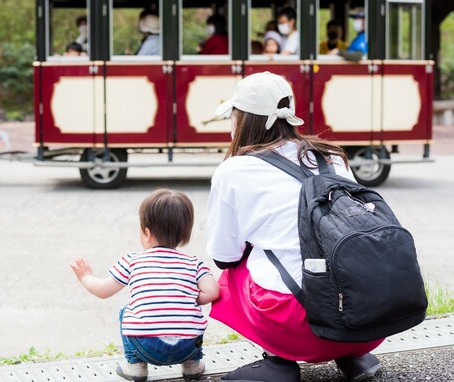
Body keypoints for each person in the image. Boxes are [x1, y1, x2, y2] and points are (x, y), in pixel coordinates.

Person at [207, 72, 384, 382]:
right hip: (370, 317)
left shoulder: (234, 170)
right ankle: (355, 357)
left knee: (233, 271)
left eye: (234, 115)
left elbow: (223, 254)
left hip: (301, 327)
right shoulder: (331, 156)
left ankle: (279, 360)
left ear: (244, 119)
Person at [70, 188, 220, 382]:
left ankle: (135, 366)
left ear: (146, 233)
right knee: (191, 313)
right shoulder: (194, 263)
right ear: (185, 233)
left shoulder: (133, 260)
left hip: (147, 348)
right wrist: (191, 297)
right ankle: (192, 365)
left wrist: (85, 276)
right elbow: (213, 291)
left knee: (126, 311)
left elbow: (102, 291)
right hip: (186, 348)